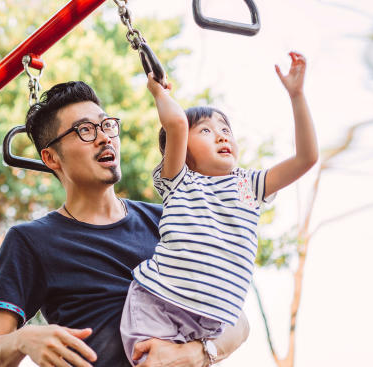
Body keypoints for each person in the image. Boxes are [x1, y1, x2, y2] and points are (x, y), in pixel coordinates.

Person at [0, 81, 252, 367]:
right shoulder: (30, 241)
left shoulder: (169, 218)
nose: (104, 138)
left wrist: (194, 353)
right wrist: (25, 338)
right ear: (51, 157)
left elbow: (238, 320)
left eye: (107, 125)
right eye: (85, 130)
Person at [120, 51, 318, 365]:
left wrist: (297, 96)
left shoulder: (248, 185)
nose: (222, 135)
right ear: (182, 149)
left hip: (211, 322)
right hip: (158, 301)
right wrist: (160, 92)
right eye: (206, 130)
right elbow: (175, 124)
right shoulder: (179, 180)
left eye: (225, 129)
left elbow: (306, 158)